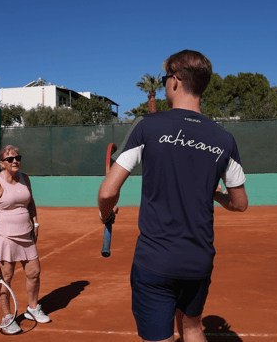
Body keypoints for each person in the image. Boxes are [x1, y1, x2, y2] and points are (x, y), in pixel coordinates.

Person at [97, 50, 248, 342]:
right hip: (199, 260)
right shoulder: (225, 140)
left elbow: (108, 191)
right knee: (192, 327)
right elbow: (240, 204)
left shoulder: (148, 126)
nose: (165, 83)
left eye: (166, 77)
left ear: (176, 80)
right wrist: (216, 195)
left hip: (155, 262)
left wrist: (106, 214)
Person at [0, 145, 50, 334]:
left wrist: (35, 223)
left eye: (17, 157)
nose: (15, 161)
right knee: (6, 277)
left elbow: (31, 203)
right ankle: (7, 317)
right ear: (1, 164)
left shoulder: (24, 179)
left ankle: (33, 309)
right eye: (10, 159)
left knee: (34, 272)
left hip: (26, 235)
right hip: (4, 236)